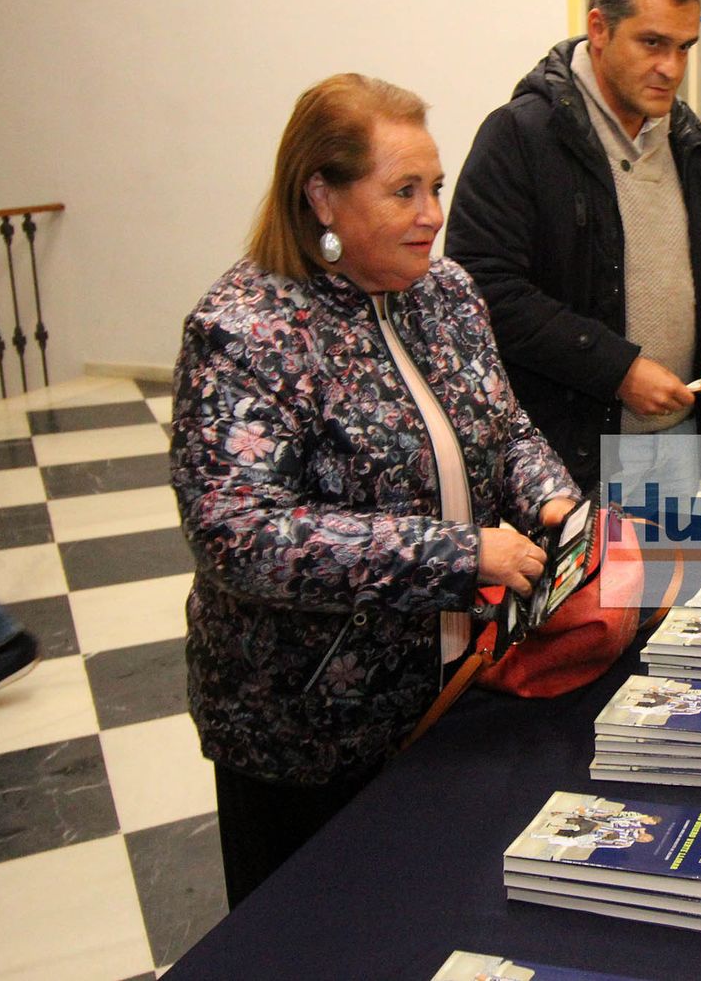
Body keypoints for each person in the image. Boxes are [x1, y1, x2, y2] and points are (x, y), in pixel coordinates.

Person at [171, 74, 581, 907]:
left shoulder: (448, 294)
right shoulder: (245, 327)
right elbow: (239, 535)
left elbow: (506, 432)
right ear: (322, 196)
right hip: (304, 734)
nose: (434, 212)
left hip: (452, 695)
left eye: (435, 186)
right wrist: (461, 555)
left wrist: (555, 501)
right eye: (405, 191)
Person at [446, 0, 701, 500]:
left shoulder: (691, 142)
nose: (672, 67)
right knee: (593, 590)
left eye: (684, 47)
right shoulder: (520, 136)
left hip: (678, 441)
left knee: (671, 587)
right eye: (652, 42)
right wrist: (617, 369)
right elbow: (484, 290)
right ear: (599, 28)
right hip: (568, 453)